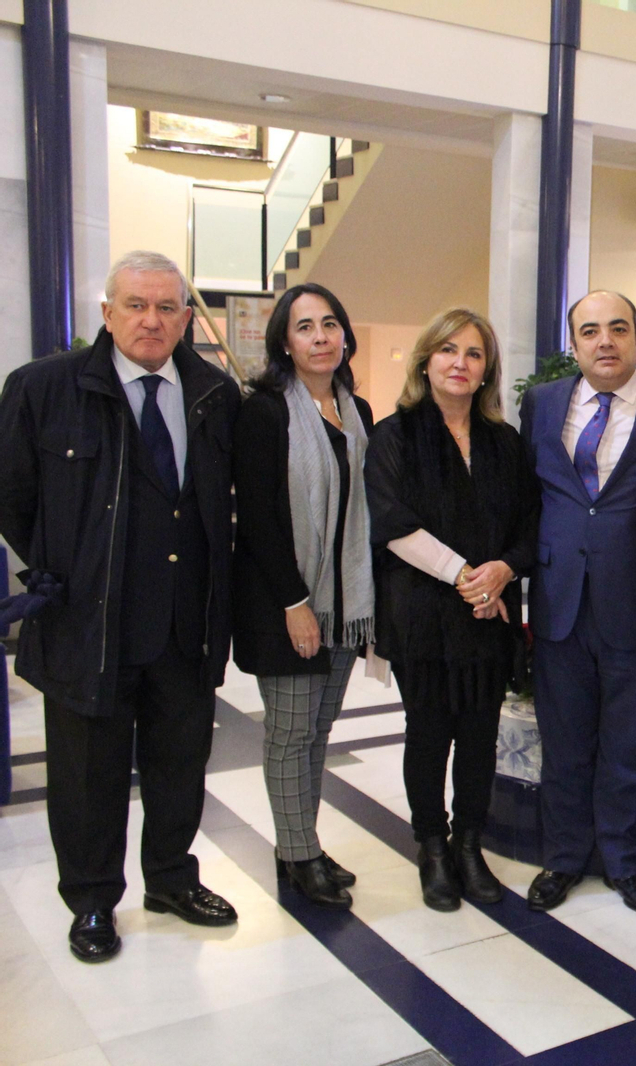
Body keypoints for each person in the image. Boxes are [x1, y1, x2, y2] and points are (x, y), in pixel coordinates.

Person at [0, 250, 241, 962]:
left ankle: (170, 879)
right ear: (107, 313)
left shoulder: (213, 394)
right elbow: (14, 500)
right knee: (86, 776)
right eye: (136, 304)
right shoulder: (44, 389)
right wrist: (66, 566)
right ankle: (93, 901)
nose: (152, 320)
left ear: (187, 319)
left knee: (178, 766)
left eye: (167, 307)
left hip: (184, 625)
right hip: (88, 624)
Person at [365, 308, 537, 912]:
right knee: (430, 733)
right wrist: (464, 575)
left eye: (474, 353)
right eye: (448, 351)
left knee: (480, 736)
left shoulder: (503, 440)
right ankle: (433, 847)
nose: (460, 363)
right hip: (422, 615)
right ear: (426, 360)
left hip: (489, 616)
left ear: (487, 368)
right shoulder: (395, 435)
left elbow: (527, 525)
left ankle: (469, 843)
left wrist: (502, 571)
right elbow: (390, 523)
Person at [518, 291, 636, 915]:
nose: (605, 341)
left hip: (635, 598)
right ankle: (562, 859)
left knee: (627, 743)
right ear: (575, 343)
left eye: (618, 329)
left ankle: (624, 862)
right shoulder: (542, 402)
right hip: (559, 599)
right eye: (591, 331)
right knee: (562, 741)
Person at [233, 283, 374, 910]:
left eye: (330, 324)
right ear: (284, 343)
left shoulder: (358, 411)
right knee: (290, 733)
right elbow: (259, 517)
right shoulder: (263, 410)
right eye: (304, 327)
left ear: (344, 335)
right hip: (284, 603)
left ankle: (303, 845)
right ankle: (298, 854)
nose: (320, 337)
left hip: (344, 604)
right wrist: (294, 603)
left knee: (319, 731)